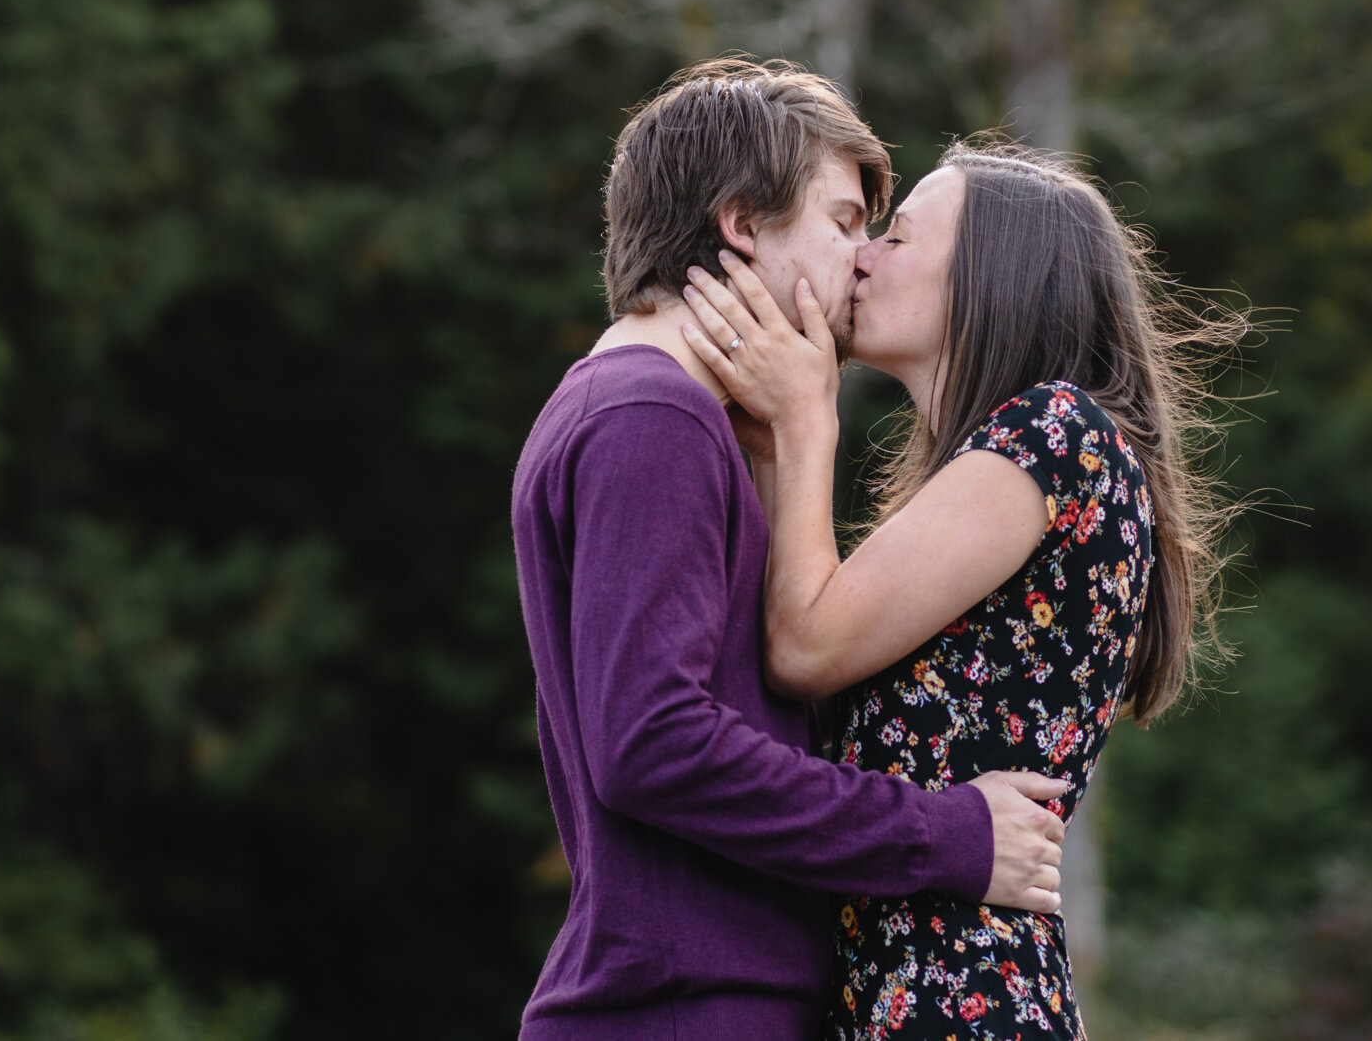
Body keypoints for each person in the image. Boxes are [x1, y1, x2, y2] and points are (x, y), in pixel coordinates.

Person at [511, 62, 1075, 1041]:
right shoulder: (652, 414)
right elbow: (653, 743)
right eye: (845, 221)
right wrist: (945, 833)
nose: (862, 257)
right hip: (683, 1012)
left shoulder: (658, 414)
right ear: (742, 223)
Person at [678, 139, 1236, 1040]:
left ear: (992, 278)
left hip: (959, 999)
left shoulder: (1055, 435)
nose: (861, 254)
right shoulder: (1009, 462)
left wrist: (805, 420)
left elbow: (804, 647)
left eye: (896, 237)